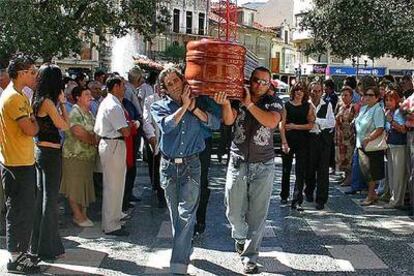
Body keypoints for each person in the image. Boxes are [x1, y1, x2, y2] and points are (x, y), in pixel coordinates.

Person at [151, 67, 220, 275]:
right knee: (176, 216)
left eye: (176, 80)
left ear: (183, 81)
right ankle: (184, 247)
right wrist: (184, 108)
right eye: (169, 83)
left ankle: (178, 265)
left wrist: (193, 109)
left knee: (185, 215)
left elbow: (215, 124)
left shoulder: (200, 103)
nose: (174, 86)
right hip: (168, 167)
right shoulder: (159, 106)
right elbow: (166, 126)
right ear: (164, 88)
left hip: (192, 166)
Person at [219, 67, 283, 274]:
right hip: (238, 161)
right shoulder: (239, 97)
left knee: (257, 214)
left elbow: (272, 121)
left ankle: (249, 257)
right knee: (233, 210)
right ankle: (239, 236)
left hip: (263, 165)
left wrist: (250, 104)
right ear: (250, 80)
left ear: (270, 84)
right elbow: (229, 120)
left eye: (265, 82)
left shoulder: (274, 102)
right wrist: (227, 104)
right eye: (256, 80)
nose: (259, 85)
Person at [0, 55, 40, 273]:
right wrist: (34, 122)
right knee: (18, 212)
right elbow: (31, 129)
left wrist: (33, 121)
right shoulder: (14, 98)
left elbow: (31, 123)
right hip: (16, 164)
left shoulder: (19, 96)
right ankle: (15, 258)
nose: (35, 76)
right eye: (32, 72)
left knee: (24, 210)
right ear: (22, 72)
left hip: (22, 161)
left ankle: (21, 252)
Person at [30, 64, 69, 261]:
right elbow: (64, 125)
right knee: (50, 200)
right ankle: (48, 247)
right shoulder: (48, 103)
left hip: (40, 151)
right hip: (51, 154)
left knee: (42, 200)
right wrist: (63, 103)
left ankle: (36, 245)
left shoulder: (35, 100)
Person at [94, 75, 131, 236]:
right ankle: (111, 224)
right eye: (122, 85)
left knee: (116, 185)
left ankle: (114, 219)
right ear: (115, 86)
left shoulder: (109, 102)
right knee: (113, 186)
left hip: (112, 144)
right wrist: (133, 124)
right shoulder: (113, 105)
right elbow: (126, 131)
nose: (125, 88)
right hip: (113, 144)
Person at [60, 86, 99, 227]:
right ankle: (77, 215)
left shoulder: (88, 113)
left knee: (84, 185)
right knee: (74, 186)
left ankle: (83, 214)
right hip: (74, 155)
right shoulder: (75, 112)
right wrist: (93, 140)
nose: (91, 97)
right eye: (86, 94)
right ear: (78, 97)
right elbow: (77, 131)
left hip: (87, 156)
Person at [279, 82, 314, 207]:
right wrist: (283, 142)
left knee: (300, 171)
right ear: (293, 92)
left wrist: (295, 126)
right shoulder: (287, 105)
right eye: (297, 90)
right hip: (288, 140)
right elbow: (282, 125)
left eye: (302, 90)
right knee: (286, 169)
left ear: (305, 93)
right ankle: (284, 195)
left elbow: (311, 124)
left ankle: (297, 198)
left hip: (303, 141)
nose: (299, 92)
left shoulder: (308, 106)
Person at [304, 81, 335, 210]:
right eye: (313, 91)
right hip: (309, 140)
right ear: (309, 91)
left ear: (322, 92)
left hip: (323, 140)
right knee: (309, 169)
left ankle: (321, 199)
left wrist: (316, 120)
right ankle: (309, 192)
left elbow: (331, 123)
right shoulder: (305, 105)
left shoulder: (327, 105)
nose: (316, 93)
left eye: (318, 91)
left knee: (323, 171)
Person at [354, 84, 386, 206]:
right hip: (361, 143)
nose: (367, 97)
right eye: (366, 94)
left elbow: (380, 128)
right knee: (365, 170)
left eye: (371, 95)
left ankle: (371, 195)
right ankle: (373, 194)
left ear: (377, 97)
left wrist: (368, 138)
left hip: (371, 144)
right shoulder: (364, 108)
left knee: (371, 171)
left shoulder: (378, 110)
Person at [384, 89, 408, 209]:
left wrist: (391, 121)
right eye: (386, 100)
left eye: (391, 100)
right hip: (390, 145)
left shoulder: (399, 112)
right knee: (391, 173)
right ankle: (393, 198)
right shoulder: (389, 112)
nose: (388, 102)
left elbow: (403, 129)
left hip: (399, 145)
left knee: (398, 175)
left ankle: (397, 200)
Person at [142, 83, 165, 207]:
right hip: (159, 139)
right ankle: (161, 196)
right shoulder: (150, 100)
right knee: (159, 168)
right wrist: (151, 136)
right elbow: (146, 120)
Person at [334, 86, 356, 187]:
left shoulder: (353, 107)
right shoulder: (340, 106)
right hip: (340, 136)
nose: (344, 97)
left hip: (349, 136)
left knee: (349, 158)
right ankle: (345, 176)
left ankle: (349, 178)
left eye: (346, 95)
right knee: (341, 158)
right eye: (342, 95)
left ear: (351, 96)